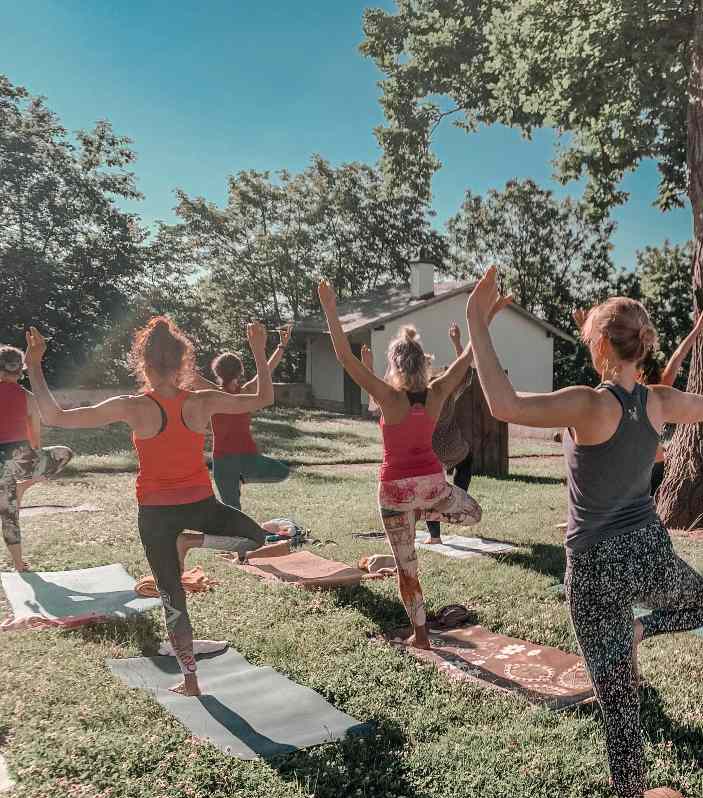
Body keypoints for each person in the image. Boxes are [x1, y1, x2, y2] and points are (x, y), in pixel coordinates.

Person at [468, 264, 703, 798]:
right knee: (701, 604)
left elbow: (503, 403)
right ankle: (642, 626)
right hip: (646, 551)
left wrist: (475, 324)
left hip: (593, 565)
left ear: (596, 345)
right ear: (644, 347)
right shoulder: (660, 401)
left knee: (620, 706)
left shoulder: (587, 405)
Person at [24, 317, 277, 695]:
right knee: (257, 540)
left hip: (157, 515)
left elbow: (55, 416)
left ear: (142, 363)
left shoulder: (132, 407)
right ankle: (190, 543)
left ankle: (191, 680)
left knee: (173, 599)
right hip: (201, 507)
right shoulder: (202, 401)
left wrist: (33, 366)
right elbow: (263, 399)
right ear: (183, 363)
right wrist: (258, 348)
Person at [318, 280, 481, 649]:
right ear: (423, 362)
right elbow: (468, 357)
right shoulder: (438, 392)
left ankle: (420, 635)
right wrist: (484, 317)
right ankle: (425, 512)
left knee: (407, 569)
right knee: (473, 514)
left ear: (394, 366)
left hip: (394, 491)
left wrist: (331, 307)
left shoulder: (388, 396)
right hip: (431, 487)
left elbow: (344, 358)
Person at [574, 307, 703, 497]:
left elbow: (677, 358)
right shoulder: (624, 397)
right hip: (640, 469)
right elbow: (606, 362)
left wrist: (698, 328)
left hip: (649, 469)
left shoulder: (651, 393)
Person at [363, 323, 476, 545]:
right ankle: (450, 504)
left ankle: (435, 536)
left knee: (429, 488)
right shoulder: (440, 390)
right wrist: (458, 342)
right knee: (463, 464)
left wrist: (368, 368)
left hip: (425, 453)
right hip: (451, 447)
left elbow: (375, 400)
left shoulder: (400, 397)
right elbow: (465, 373)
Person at [188, 325, 293, 511]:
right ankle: (242, 477)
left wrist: (180, 353)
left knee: (232, 510)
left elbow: (188, 375)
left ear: (218, 372)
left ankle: (241, 478)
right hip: (245, 460)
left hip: (226, 462)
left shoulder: (211, 394)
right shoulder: (247, 392)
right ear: (240, 371)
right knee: (284, 473)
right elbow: (267, 369)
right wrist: (281, 346)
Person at [0, 345, 74, 571]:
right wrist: (35, 464)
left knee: (8, 514)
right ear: (19, 371)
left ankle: (19, 564)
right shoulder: (28, 397)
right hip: (21, 460)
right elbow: (35, 437)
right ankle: (25, 486)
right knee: (65, 453)